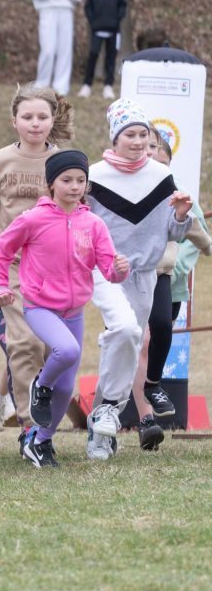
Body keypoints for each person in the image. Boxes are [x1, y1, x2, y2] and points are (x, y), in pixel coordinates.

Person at [0, 150, 129, 467]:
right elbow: (1, 250)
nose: (74, 186)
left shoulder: (93, 224)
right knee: (66, 351)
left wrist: (120, 270)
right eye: (67, 180)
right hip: (40, 307)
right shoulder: (33, 219)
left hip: (74, 312)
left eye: (80, 180)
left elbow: (109, 269)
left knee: (66, 388)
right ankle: (40, 385)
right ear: (51, 184)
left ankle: (40, 442)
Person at [0, 83, 73, 454]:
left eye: (42, 117)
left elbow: (82, 206)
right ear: (14, 121)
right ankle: (29, 428)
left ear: (52, 119)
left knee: (51, 348)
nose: (35, 123)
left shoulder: (65, 162)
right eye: (27, 117)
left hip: (54, 269)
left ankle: (23, 405)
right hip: (9, 267)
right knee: (24, 343)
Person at [85, 99, 192, 459]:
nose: (137, 141)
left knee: (127, 345)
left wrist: (181, 216)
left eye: (142, 134)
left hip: (145, 273)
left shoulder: (160, 175)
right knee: (127, 331)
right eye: (129, 134)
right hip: (106, 271)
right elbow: (81, 222)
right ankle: (106, 415)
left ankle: (101, 423)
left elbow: (174, 231)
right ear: (115, 138)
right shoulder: (94, 176)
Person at [128, 131, 210, 438]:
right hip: (135, 282)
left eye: (160, 160)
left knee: (154, 342)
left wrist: (170, 271)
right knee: (142, 345)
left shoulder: (180, 196)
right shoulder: (125, 192)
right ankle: (146, 419)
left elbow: (196, 239)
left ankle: (147, 400)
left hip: (169, 285)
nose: (151, 159)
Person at [29, 0, 84, 96]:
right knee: (48, 49)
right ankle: (41, 84)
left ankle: (61, 86)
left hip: (66, 11)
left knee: (65, 50)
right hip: (48, 10)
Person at [79, 0, 127, 99]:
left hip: (113, 29)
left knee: (111, 57)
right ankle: (87, 85)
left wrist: (116, 20)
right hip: (97, 29)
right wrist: (93, 21)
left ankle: (108, 86)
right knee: (93, 55)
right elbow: (88, 7)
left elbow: (123, 6)